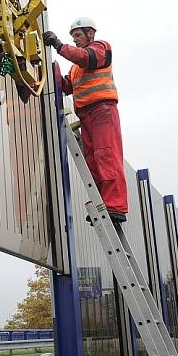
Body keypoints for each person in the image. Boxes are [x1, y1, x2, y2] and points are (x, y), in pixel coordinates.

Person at [43, 18, 128, 224]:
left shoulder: (100, 48)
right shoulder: (75, 69)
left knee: (106, 155)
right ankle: (102, 204)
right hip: (86, 116)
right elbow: (66, 85)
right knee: (92, 160)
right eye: (73, 38)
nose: (76, 40)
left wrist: (59, 46)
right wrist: (48, 66)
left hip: (102, 111)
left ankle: (114, 205)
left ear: (90, 33)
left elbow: (85, 57)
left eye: (78, 36)